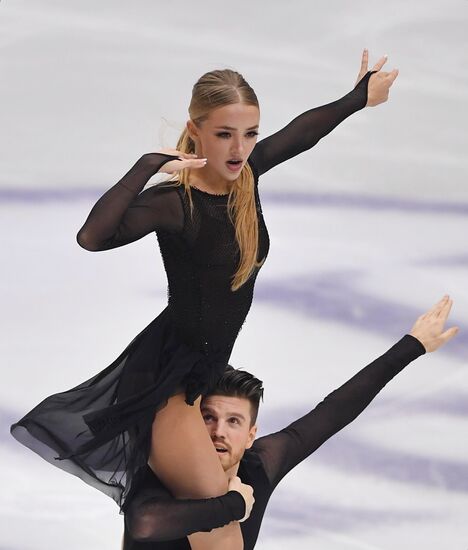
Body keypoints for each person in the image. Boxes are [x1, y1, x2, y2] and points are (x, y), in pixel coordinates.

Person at [10, 50, 398, 549]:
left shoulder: (247, 176)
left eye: (250, 133)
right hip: (166, 381)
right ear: (196, 131)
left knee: (215, 531)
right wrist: (148, 165)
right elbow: (93, 237)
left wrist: (357, 98)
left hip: (204, 370)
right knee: (221, 528)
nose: (240, 149)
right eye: (224, 134)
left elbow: (303, 133)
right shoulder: (176, 203)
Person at [122, 295, 459, 550]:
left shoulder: (259, 467)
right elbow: (144, 523)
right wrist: (233, 506)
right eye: (208, 417)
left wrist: (412, 346)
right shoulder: (167, 468)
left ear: (252, 435)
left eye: (234, 421)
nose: (218, 431)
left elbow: (333, 412)